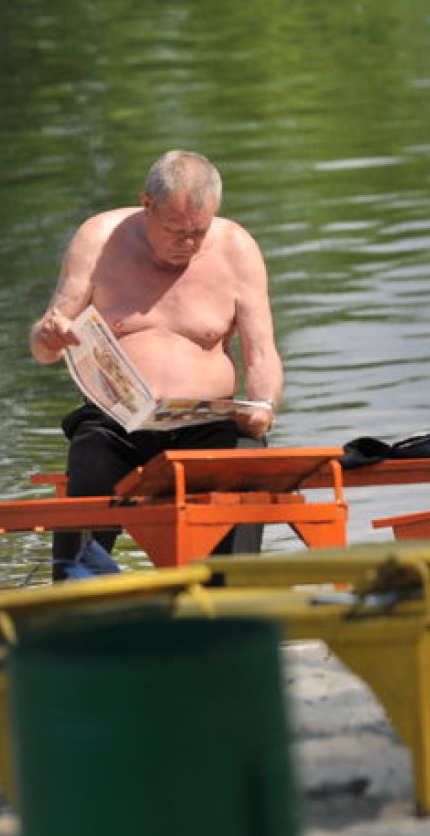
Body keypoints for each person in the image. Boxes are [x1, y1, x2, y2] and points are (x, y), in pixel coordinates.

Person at [29, 150, 284, 578]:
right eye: (174, 230)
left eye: (198, 232)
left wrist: (264, 407)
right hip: (116, 421)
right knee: (89, 451)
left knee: (247, 457)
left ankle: (231, 602)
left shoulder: (236, 247)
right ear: (146, 205)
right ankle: (76, 598)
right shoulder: (100, 238)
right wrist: (47, 336)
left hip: (207, 422)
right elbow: (46, 346)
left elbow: (262, 353)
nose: (187, 244)